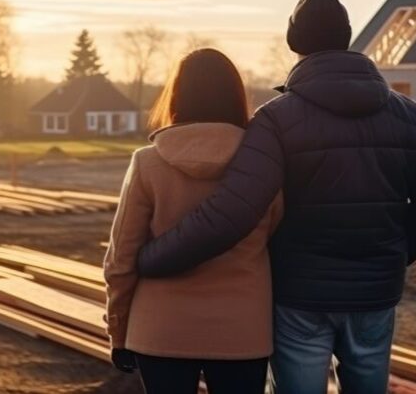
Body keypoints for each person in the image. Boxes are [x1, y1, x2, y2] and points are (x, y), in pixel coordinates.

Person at [137, 0, 416, 394]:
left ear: (295, 44)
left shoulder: (276, 120)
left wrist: (151, 258)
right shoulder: (409, 116)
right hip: (375, 294)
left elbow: (231, 213)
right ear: (347, 38)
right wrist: (391, 254)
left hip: (300, 296)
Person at [103, 48, 282, 394]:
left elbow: (120, 260)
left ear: (177, 96)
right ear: (235, 96)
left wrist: (119, 330)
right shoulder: (263, 166)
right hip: (242, 330)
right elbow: (276, 237)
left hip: (160, 329)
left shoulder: (147, 164)